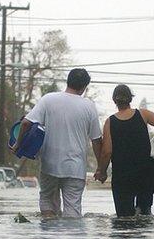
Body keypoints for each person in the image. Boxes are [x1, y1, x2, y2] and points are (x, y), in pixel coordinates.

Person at [12, 68, 102, 218]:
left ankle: (49, 235)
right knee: (72, 210)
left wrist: (17, 145)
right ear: (84, 87)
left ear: (68, 81)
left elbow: (26, 123)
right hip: (75, 168)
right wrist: (101, 168)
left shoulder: (48, 99)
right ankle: (69, 238)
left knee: (47, 202)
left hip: (49, 165)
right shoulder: (89, 106)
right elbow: (96, 140)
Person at [94, 84, 154, 217]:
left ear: (114, 101)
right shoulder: (143, 114)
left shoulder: (110, 122)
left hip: (123, 176)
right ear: (130, 99)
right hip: (146, 174)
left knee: (124, 219)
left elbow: (107, 152)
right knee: (144, 215)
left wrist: (102, 171)